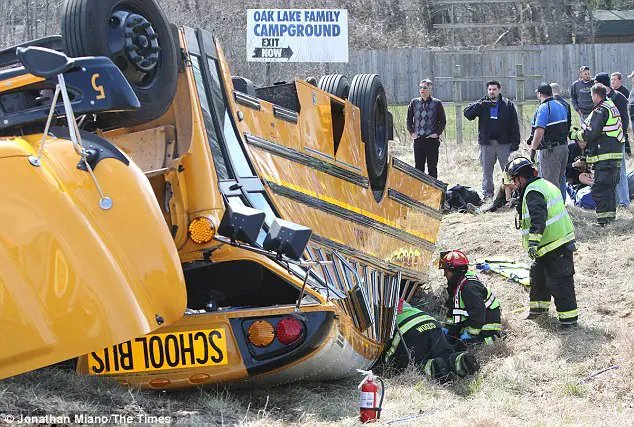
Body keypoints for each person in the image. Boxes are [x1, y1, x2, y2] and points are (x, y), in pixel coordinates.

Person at [506, 157, 578, 327]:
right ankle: (538, 313)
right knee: (538, 278)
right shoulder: (541, 185)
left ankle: (569, 321)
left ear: (520, 177)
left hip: (555, 245)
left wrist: (533, 242)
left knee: (560, 282)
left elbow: (539, 219)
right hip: (548, 246)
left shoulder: (533, 191)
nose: (514, 185)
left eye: (514, 181)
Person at [570, 84, 625, 225]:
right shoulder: (610, 106)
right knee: (609, 188)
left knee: (600, 188)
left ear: (596, 95)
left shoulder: (601, 110)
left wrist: (575, 134)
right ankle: (610, 219)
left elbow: (591, 132)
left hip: (605, 156)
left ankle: (603, 222)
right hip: (613, 155)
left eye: (591, 95)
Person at [384, 301, 479, 381]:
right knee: (445, 353)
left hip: (408, 331)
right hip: (432, 323)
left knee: (410, 364)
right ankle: (460, 359)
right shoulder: (393, 292)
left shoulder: (374, 299)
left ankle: (433, 368)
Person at [464, 80, 520, 199]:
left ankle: (510, 195)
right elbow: (468, 114)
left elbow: (514, 124)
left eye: (494, 89)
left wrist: (516, 143)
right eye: (489, 89)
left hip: (504, 144)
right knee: (487, 171)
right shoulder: (483, 104)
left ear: (499, 90)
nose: (492, 92)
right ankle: (487, 194)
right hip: (487, 144)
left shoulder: (507, 105)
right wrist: (479, 105)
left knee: (508, 171)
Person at [440, 250, 502, 345]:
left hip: (486, 326)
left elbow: (478, 313)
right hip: (473, 322)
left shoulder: (469, 287)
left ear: (454, 270)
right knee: (449, 339)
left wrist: (470, 335)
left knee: (460, 345)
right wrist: (449, 329)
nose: (444, 275)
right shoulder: (457, 284)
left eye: (446, 271)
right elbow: (454, 309)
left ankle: (494, 338)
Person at [528, 83, 569, 198]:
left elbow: (539, 131)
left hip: (551, 151)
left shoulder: (544, 107)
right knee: (560, 181)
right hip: (563, 147)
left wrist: (533, 149)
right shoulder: (561, 105)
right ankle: (561, 207)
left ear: (540, 94)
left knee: (550, 184)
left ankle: (553, 211)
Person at [595, 72, 630, 207]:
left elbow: (624, 120)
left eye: (596, 82)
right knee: (608, 171)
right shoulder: (601, 98)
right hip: (604, 142)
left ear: (602, 83)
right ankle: (613, 200)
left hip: (616, 140)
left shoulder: (618, 97)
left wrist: (620, 136)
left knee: (620, 171)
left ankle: (624, 201)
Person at [406, 79, 446, 178]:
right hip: (418, 139)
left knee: (432, 167)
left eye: (425, 87)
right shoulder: (414, 102)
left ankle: (433, 191)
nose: (422, 90)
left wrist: (437, 134)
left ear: (430, 89)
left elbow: (443, 121)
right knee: (418, 168)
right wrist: (412, 133)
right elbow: (408, 119)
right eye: (420, 87)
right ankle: (419, 191)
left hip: (431, 140)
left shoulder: (437, 103)